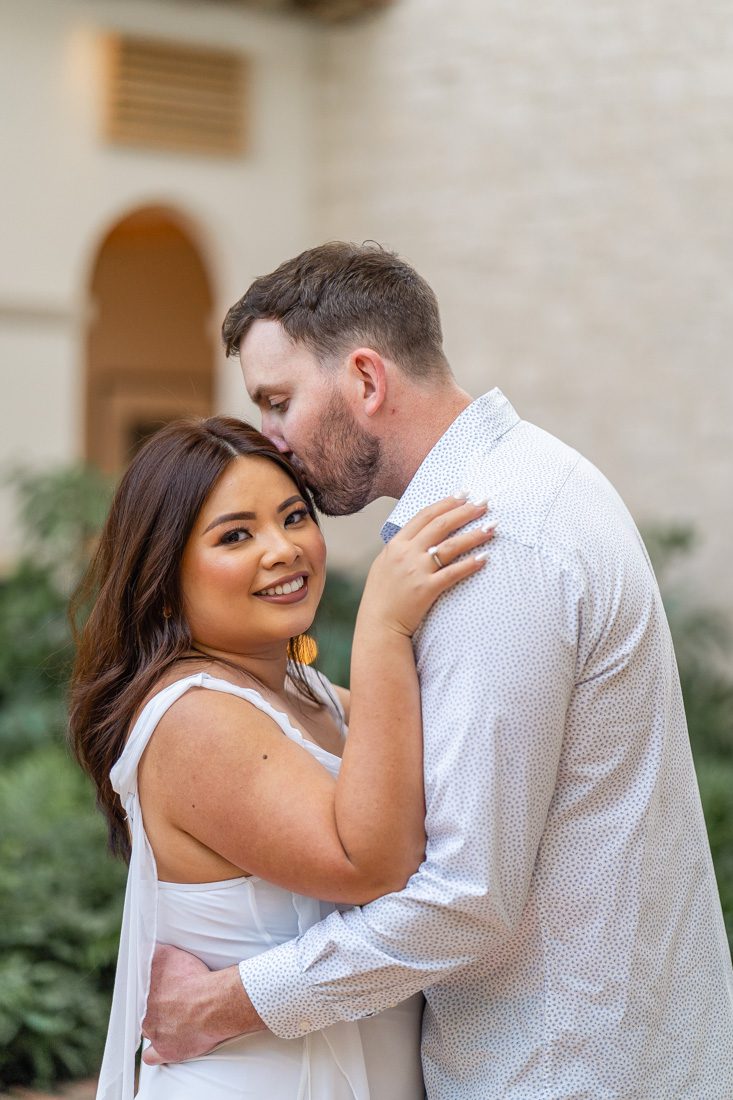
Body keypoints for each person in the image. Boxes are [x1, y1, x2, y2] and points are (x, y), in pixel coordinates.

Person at [142, 243, 733, 1099]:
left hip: (558, 1066)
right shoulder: (533, 477)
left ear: (366, 381)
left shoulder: (488, 548)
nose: (270, 439)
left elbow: (464, 896)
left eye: (279, 401)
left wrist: (224, 1003)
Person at [68, 414, 495, 1100]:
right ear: (165, 567)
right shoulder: (192, 715)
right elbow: (369, 864)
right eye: (235, 535)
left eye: (294, 517)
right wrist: (383, 627)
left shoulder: (305, 692)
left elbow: (445, 750)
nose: (283, 549)